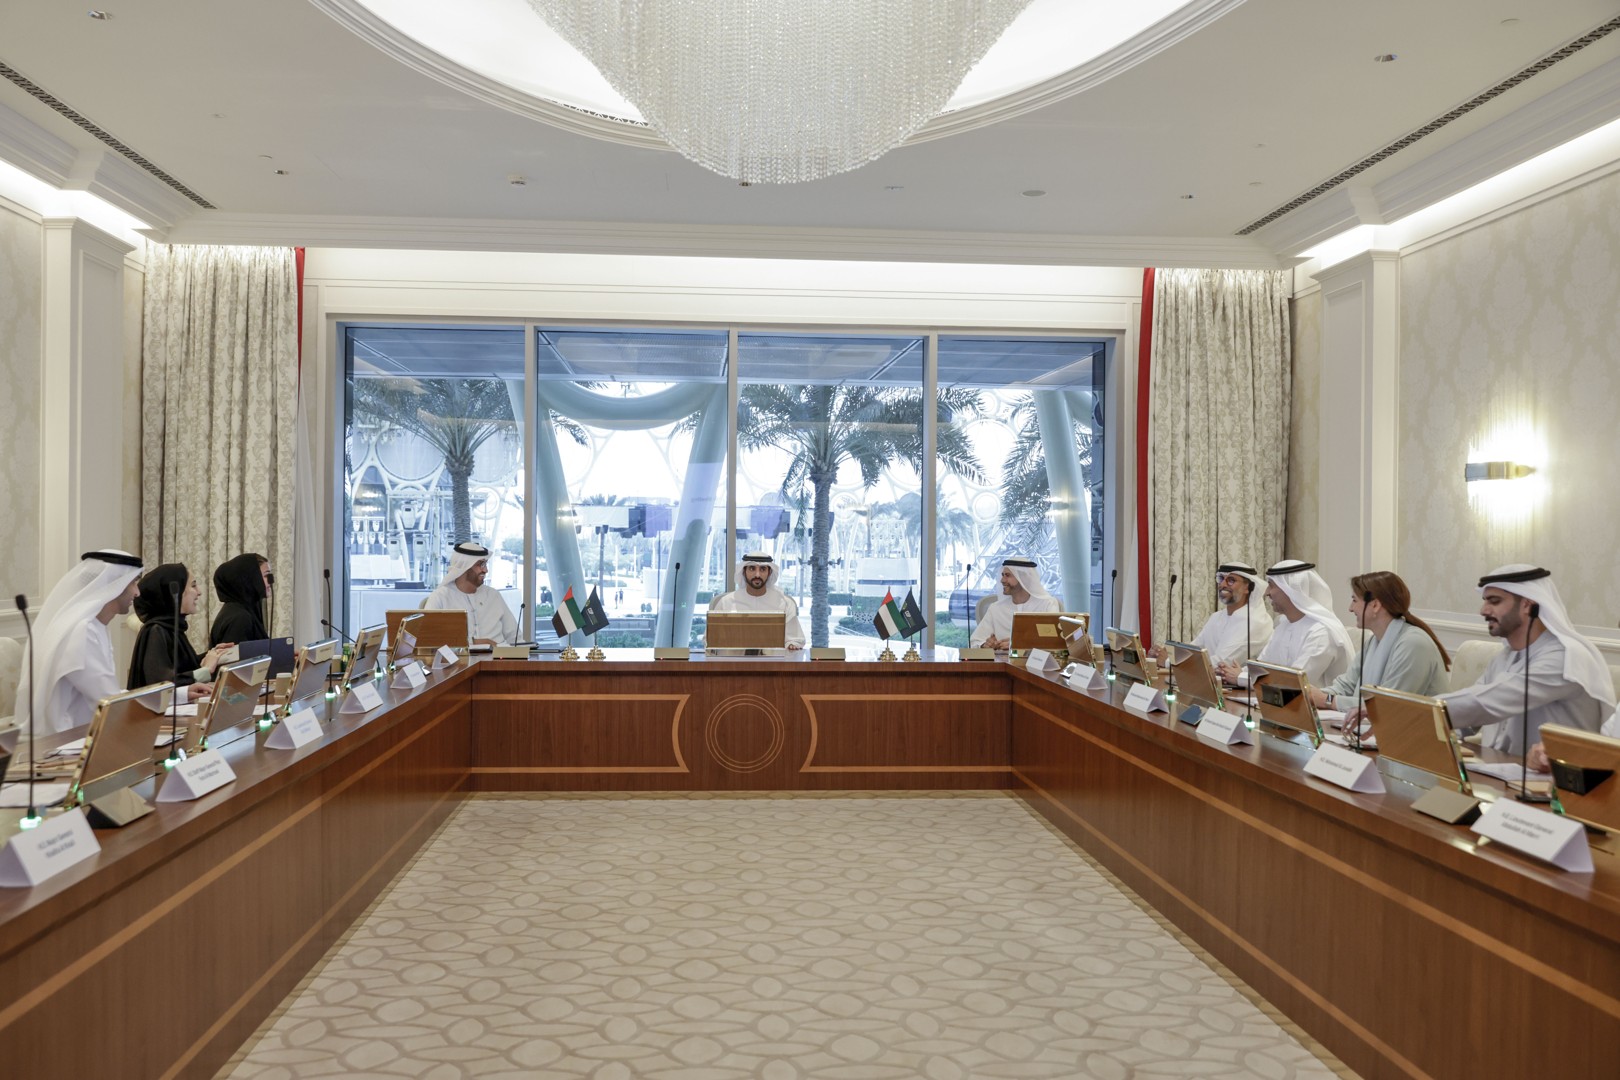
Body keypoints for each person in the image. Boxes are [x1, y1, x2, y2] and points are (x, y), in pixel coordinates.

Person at [1441, 564, 1613, 755]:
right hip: (1496, 766)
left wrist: (1427, 711)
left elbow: (1488, 703)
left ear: (1527, 605)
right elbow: (1470, 716)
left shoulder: (1565, 658)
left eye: (1495, 601)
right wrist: (1439, 732)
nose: (1484, 610)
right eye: (1485, 601)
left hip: (1548, 772)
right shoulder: (1503, 658)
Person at [16, 550, 144, 734]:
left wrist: (174, 696)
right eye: (133, 582)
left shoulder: (94, 625)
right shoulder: (82, 631)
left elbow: (109, 697)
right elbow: (107, 699)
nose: (137, 592)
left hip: (85, 733)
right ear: (115, 584)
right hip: (62, 741)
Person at [1308, 570, 1449, 725]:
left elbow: (1387, 705)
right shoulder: (1374, 641)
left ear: (1375, 605)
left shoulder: (1414, 644)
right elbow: (1346, 685)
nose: (1350, 608)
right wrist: (1311, 695)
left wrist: (1327, 700)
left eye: (1354, 600)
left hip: (1418, 733)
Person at [1218, 559, 1352, 687]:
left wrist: (1241, 678)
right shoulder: (1283, 626)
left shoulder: (1322, 632)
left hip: (1317, 703)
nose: (1267, 593)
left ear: (1290, 590)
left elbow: (1295, 683)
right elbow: (1263, 666)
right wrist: (1234, 673)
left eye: (1271, 586)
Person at [128, 564, 234, 700]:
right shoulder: (156, 631)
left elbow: (183, 667)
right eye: (193, 585)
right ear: (174, 593)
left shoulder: (172, 628)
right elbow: (161, 685)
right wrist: (206, 670)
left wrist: (213, 654)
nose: (199, 592)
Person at [1158, 560, 1273, 668]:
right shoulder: (1216, 617)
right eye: (1221, 578)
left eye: (1231, 580)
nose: (1223, 584)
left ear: (1248, 587)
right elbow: (1195, 649)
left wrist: (1169, 662)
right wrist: (1168, 653)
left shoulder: (1256, 621)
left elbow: (1221, 663)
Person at [422, 541, 517, 645]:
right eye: (480, 564)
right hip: (459, 655)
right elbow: (428, 640)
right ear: (465, 567)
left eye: (485, 564)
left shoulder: (494, 595)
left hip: (497, 655)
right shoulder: (440, 597)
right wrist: (472, 643)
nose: (485, 570)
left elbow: (515, 637)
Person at [708, 553, 805, 649]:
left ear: (769, 573)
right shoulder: (726, 602)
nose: (757, 575)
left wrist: (792, 645)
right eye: (752, 569)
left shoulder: (784, 603)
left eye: (762, 569)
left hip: (773, 658)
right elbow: (710, 639)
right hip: (734, 658)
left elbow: (795, 639)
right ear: (743, 572)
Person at [971, 556, 1061, 650]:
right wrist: (985, 645)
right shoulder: (996, 608)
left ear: (1023, 578)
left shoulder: (1047, 604)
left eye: (1007, 575)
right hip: (1002, 659)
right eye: (1002, 575)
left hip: (1035, 659)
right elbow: (975, 641)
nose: (1002, 580)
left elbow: (1054, 641)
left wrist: (1020, 644)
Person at [210, 552, 271, 646]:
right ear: (248, 579)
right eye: (266, 576)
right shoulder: (239, 618)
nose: (270, 582)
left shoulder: (240, 611)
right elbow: (238, 655)